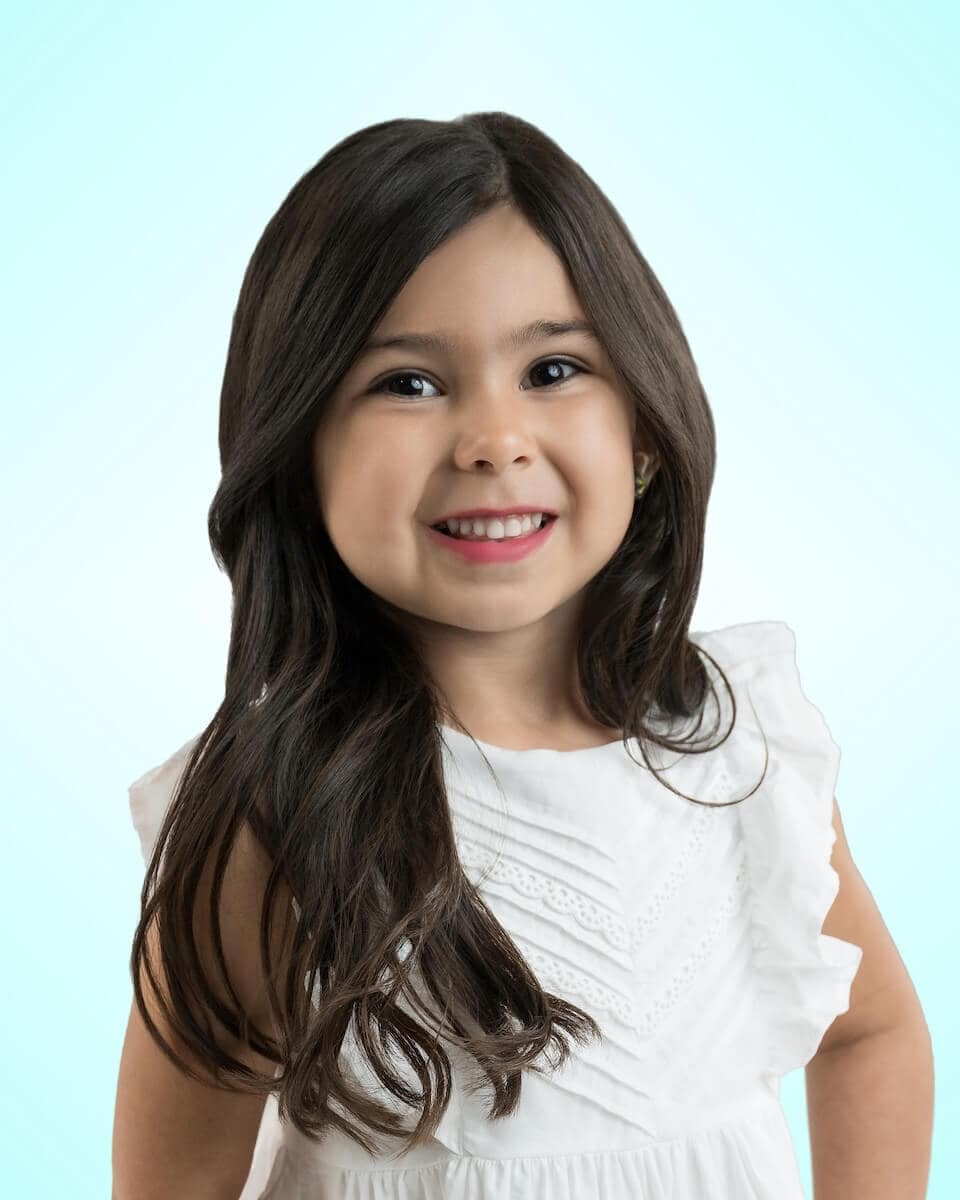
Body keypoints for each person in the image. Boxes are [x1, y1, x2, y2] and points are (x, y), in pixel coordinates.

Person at [113, 112, 933, 1200]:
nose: (494, 440)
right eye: (408, 382)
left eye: (553, 368)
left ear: (644, 431)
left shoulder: (739, 753)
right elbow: (172, 1179)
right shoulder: (274, 813)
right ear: (299, 447)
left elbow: (869, 1032)